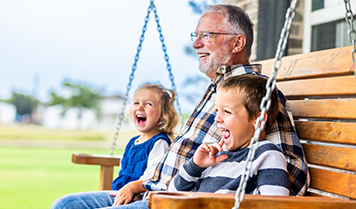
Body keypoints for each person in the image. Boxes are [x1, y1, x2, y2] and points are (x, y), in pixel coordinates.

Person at [52, 4, 310, 209]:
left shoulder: (255, 93)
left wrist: (217, 198)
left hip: (179, 201)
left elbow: (290, 173)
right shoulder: (220, 90)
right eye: (195, 36)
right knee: (65, 205)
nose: (196, 44)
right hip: (157, 191)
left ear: (237, 43)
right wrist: (143, 184)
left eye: (206, 35)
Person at [51, 83, 178, 208]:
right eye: (136, 103)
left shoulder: (160, 143)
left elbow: (154, 179)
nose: (140, 107)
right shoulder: (133, 142)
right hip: (119, 195)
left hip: (141, 198)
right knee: (64, 204)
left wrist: (132, 187)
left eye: (148, 104)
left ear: (163, 115)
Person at [168, 75, 289, 195]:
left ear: (259, 120)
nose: (217, 118)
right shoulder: (218, 155)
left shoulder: (267, 155)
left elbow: (275, 203)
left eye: (227, 111)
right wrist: (195, 166)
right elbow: (173, 194)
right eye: (216, 110)